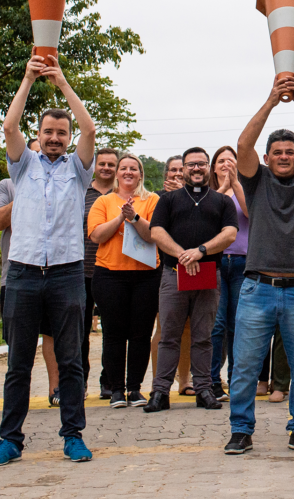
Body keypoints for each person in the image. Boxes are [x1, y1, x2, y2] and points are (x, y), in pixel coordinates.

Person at [0, 54, 97, 467]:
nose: (54, 138)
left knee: (70, 360)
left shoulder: (78, 170)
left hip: (67, 273)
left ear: (68, 138)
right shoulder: (22, 166)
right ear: (38, 135)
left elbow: (90, 128)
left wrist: (62, 82)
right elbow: (8, 126)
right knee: (18, 362)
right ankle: (10, 440)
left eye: (61, 133)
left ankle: (73, 436)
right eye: (48, 131)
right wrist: (29, 79)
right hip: (23, 272)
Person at [226, 74, 294, 456]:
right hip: (257, 289)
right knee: (244, 367)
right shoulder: (255, 182)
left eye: (290, 151)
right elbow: (243, 144)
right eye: (277, 152)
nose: (284, 156)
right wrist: (272, 100)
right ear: (267, 158)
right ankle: (241, 430)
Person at [144, 147, 238, 412]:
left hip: (208, 276)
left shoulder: (222, 202)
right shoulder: (168, 200)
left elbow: (230, 233)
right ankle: (160, 392)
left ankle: (203, 390)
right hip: (174, 274)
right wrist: (184, 255)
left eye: (201, 164)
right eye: (191, 164)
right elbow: (156, 232)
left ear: (208, 167)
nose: (196, 169)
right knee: (169, 336)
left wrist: (201, 251)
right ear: (183, 169)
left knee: (203, 337)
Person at [88, 152, 161, 408]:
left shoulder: (152, 200)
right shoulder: (104, 201)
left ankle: (135, 389)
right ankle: (116, 390)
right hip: (110, 275)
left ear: (141, 174)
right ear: (117, 174)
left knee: (141, 334)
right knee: (114, 334)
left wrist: (135, 217)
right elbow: (96, 235)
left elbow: (154, 234)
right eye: (124, 168)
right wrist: (121, 216)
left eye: (134, 168)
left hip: (146, 276)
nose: (128, 172)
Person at [0, 138, 58, 402]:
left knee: (52, 334)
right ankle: (19, 396)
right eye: (32, 155)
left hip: (53, 273)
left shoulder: (60, 184)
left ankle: (56, 390)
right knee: (18, 341)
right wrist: (25, 190)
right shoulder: (8, 185)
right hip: (16, 274)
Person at [149, 154, 194, 397]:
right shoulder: (156, 198)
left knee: (187, 328)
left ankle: (185, 380)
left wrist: (184, 197)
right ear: (165, 173)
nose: (177, 174)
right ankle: (159, 384)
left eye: (181, 169)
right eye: (173, 170)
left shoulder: (197, 199)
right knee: (164, 328)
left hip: (189, 267)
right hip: (161, 268)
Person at [209, 145, 249, 401]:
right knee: (217, 324)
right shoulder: (209, 193)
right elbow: (203, 214)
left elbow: (250, 212)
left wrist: (235, 184)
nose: (226, 164)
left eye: (230, 160)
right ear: (213, 167)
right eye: (221, 161)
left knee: (238, 324)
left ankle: (236, 381)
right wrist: (223, 187)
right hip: (215, 262)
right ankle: (212, 381)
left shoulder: (245, 189)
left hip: (242, 262)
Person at [85, 148, 118, 399]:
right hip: (81, 268)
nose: (106, 168)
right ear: (94, 166)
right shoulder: (81, 190)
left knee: (112, 330)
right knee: (79, 330)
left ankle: (109, 381)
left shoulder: (124, 194)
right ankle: (79, 382)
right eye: (102, 163)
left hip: (112, 271)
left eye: (111, 164)